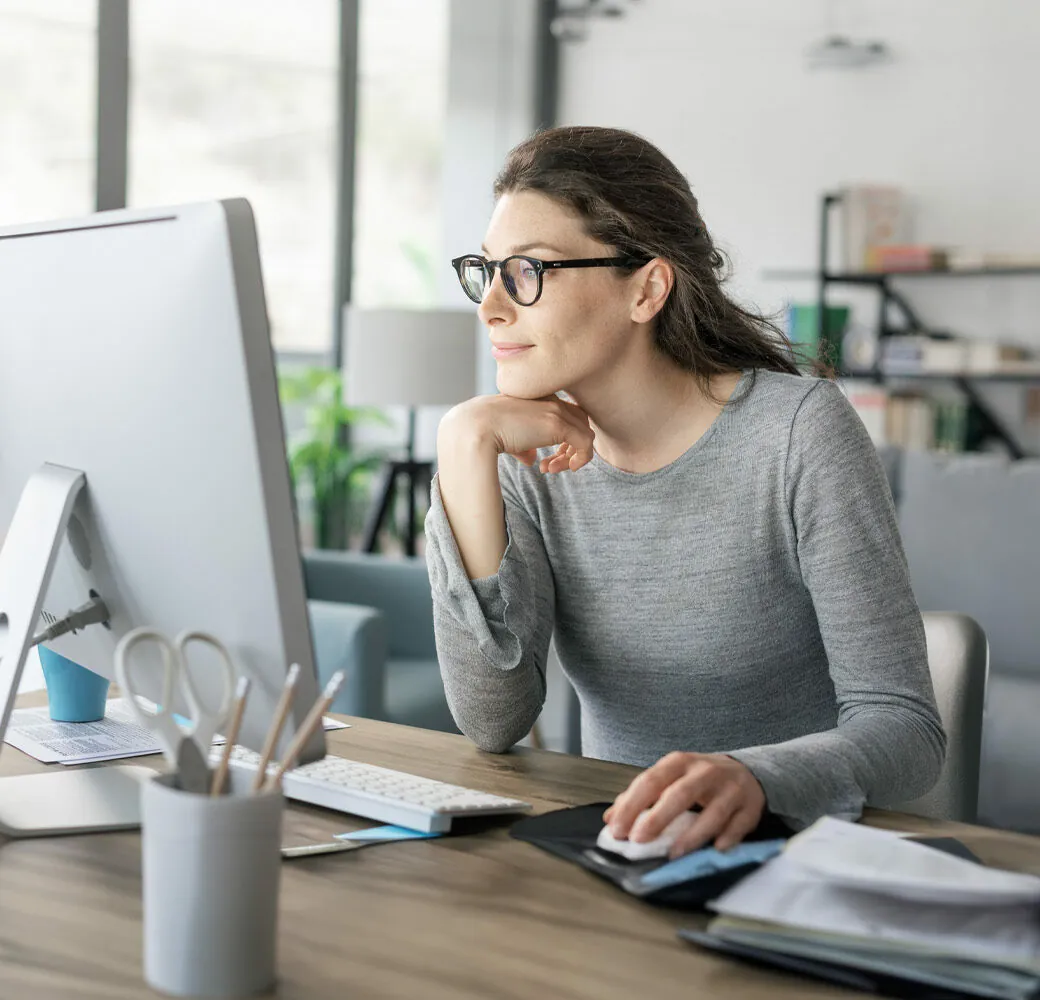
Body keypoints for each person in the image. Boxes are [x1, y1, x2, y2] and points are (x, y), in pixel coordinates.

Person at [424, 125, 945, 859]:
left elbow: (905, 729)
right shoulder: (519, 457)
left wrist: (752, 777)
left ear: (647, 288)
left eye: (530, 271)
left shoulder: (798, 434)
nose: (492, 308)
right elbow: (493, 719)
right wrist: (462, 447)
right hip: (617, 855)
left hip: (797, 857)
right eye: (488, 271)